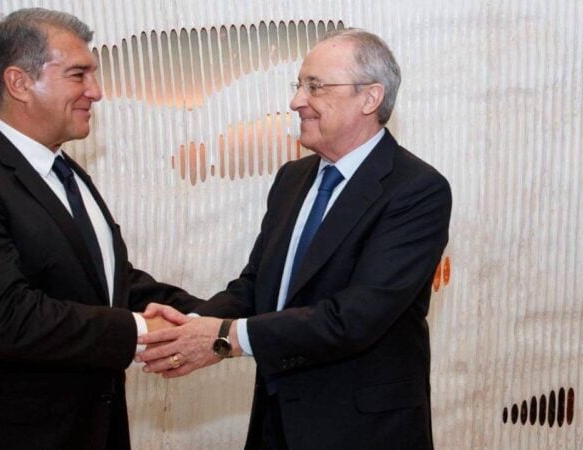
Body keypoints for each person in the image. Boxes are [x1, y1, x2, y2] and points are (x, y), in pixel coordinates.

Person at [137, 28, 452, 449]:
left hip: (362, 432)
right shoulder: (292, 178)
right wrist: (191, 326)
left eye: (315, 86)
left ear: (370, 98)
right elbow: (255, 287)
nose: (296, 101)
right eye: (299, 85)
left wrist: (224, 337)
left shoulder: (416, 190)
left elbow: (354, 318)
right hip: (276, 420)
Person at [0, 8, 201, 450]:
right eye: (78, 74)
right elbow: (7, 318)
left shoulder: (68, 174)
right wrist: (141, 329)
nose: (96, 91)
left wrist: (211, 320)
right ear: (19, 82)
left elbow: (109, 286)